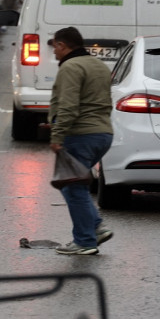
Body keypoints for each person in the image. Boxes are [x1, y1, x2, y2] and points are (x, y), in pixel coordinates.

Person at [48, 27, 115, 256]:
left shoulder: (70, 67)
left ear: (62, 45)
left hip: (80, 135)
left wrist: (57, 135)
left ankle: (85, 240)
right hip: (103, 133)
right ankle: (96, 227)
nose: (54, 53)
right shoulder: (99, 65)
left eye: (54, 47)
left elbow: (68, 106)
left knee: (73, 187)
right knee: (73, 184)